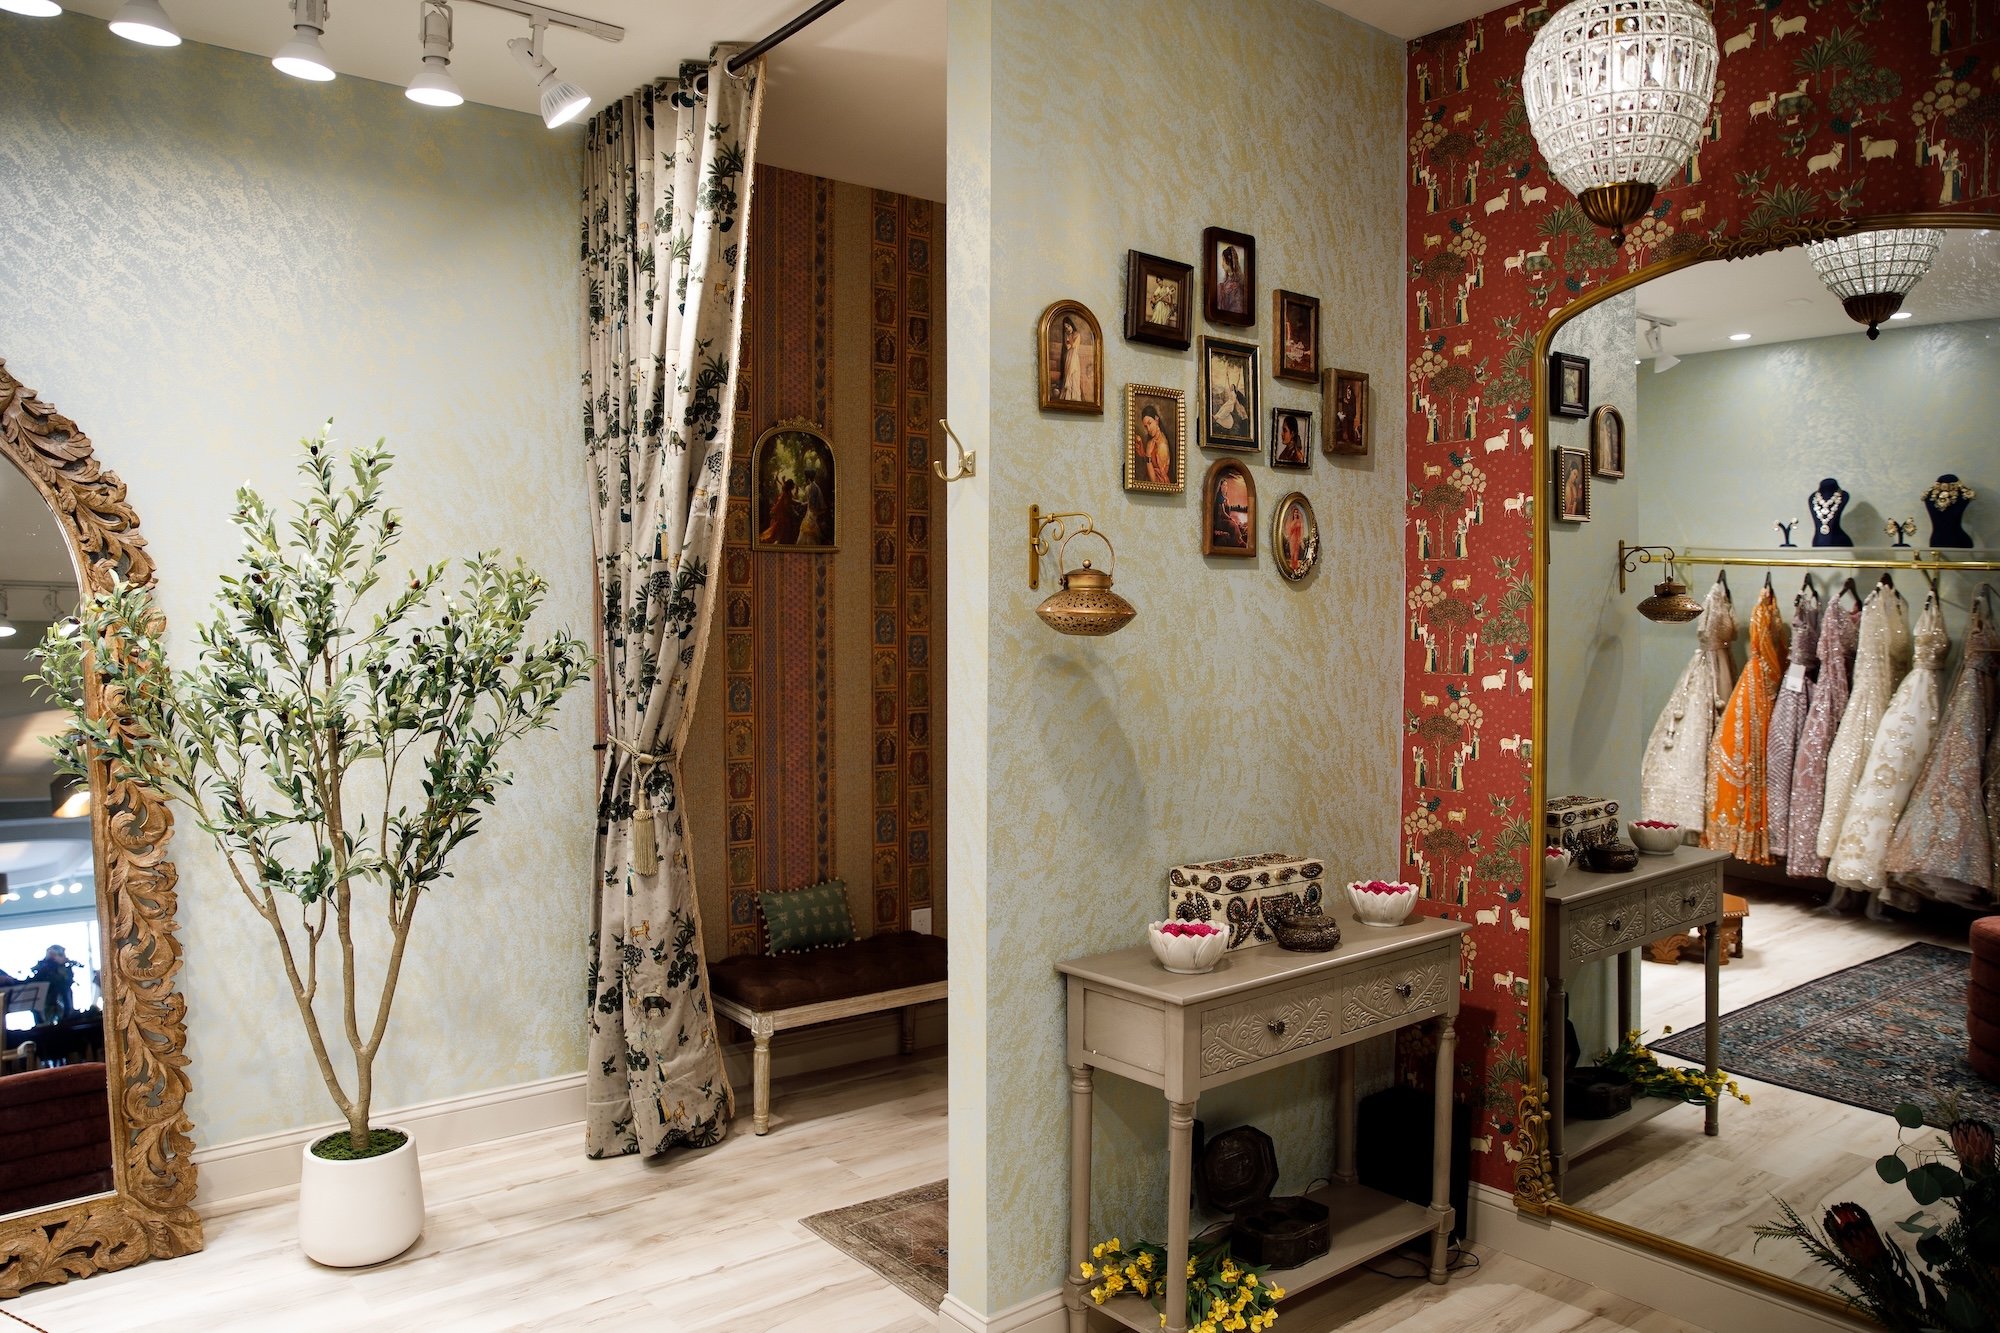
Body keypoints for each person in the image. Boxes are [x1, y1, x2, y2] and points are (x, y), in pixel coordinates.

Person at [29, 945, 79, 1021]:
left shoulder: (65, 967)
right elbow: (37, 979)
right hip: (46, 1001)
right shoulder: (42, 966)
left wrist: (63, 965)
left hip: (62, 1001)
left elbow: (68, 982)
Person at [1055, 316, 1093, 402]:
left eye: (1068, 326)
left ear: (1071, 325)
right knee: (1068, 374)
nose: (1067, 329)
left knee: (1074, 374)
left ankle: (1075, 397)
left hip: (1074, 357)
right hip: (1068, 356)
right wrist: (1068, 336)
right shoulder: (1067, 336)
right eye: (1065, 328)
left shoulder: (1077, 334)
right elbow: (1068, 347)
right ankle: (1067, 397)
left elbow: (1074, 345)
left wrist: (1069, 337)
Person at [1134, 405, 1172, 485]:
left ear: (1156, 419)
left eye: (1150, 423)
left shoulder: (1162, 446)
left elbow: (1154, 482)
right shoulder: (1152, 440)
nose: (1148, 429)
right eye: (1145, 426)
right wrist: (1142, 453)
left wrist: (1148, 455)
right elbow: (1153, 463)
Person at [760, 475, 801, 545]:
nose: (794, 486)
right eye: (793, 485)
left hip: (783, 514)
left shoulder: (787, 491)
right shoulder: (787, 492)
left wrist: (797, 503)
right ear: (790, 486)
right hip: (784, 514)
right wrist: (793, 510)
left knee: (781, 529)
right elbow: (787, 504)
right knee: (782, 530)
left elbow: (790, 501)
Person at [798, 459, 829, 546]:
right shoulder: (813, 486)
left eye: (805, 476)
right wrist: (803, 504)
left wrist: (811, 515)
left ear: (807, 477)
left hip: (812, 514)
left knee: (809, 535)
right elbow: (810, 502)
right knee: (807, 534)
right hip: (811, 513)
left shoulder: (811, 487)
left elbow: (812, 505)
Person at [1218, 245, 1246, 314]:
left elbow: (1238, 308)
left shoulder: (1239, 284)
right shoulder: (1224, 283)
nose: (1222, 264)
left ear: (1229, 261)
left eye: (1224, 260)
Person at [1282, 504, 1308, 572]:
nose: (1295, 514)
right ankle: (1292, 566)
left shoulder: (1299, 521)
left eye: (1297, 512)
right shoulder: (1291, 522)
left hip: (1297, 538)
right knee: (1292, 552)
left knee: (1296, 552)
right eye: (1294, 512)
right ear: (1293, 514)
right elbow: (1289, 530)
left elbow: (1301, 530)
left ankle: (1295, 566)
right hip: (1292, 538)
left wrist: (1301, 539)